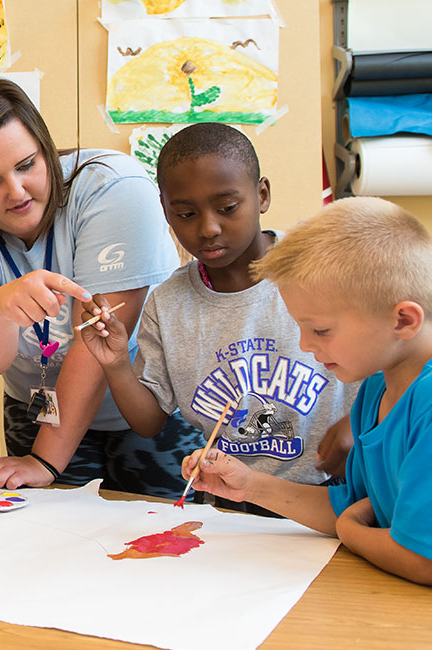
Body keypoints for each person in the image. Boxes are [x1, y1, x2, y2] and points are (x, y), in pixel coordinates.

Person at [183, 197, 432, 620]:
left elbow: (429, 563)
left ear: (403, 321)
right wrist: (249, 485)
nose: (305, 345)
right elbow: (356, 505)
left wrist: (349, 531)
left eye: (319, 329)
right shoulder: (378, 387)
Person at [0, 78, 187, 493]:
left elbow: (97, 339)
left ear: (46, 147)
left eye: (27, 165)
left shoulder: (115, 188)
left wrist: (44, 460)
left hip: (148, 410)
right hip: (40, 412)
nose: (16, 192)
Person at [78, 123, 354, 514]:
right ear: (165, 210)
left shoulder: (325, 269)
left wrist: (357, 425)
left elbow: (401, 358)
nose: (207, 228)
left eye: (227, 208)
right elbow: (149, 422)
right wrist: (116, 364)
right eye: (186, 213)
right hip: (228, 505)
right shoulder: (168, 303)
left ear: (262, 195)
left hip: (332, 492)